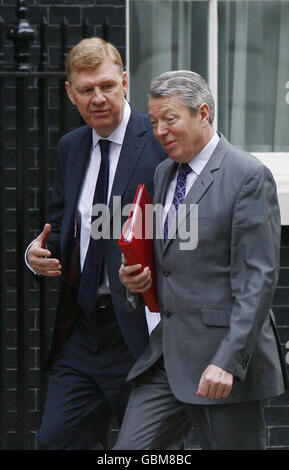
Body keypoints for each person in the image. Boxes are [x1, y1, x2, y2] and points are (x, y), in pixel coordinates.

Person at [115, 70, 289, 450]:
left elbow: (257, 282)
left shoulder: (248, 176)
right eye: (155, 120)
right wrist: (135, 282)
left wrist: (228, 360)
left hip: (221, 361)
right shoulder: (164, 174)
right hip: (167, 356)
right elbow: (168, 258)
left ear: (203, 113)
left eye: (170, 119)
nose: (160, 131)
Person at [25, 37, 167, 450]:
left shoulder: (159, 142)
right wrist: (37, 256)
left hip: (139, 336)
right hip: (81, 333)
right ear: (71, 93)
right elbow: (57, 224)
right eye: (87, 90)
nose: (98, 98)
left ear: (125, 82)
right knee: (54, 441)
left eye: (107, 86)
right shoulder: (71, 148)